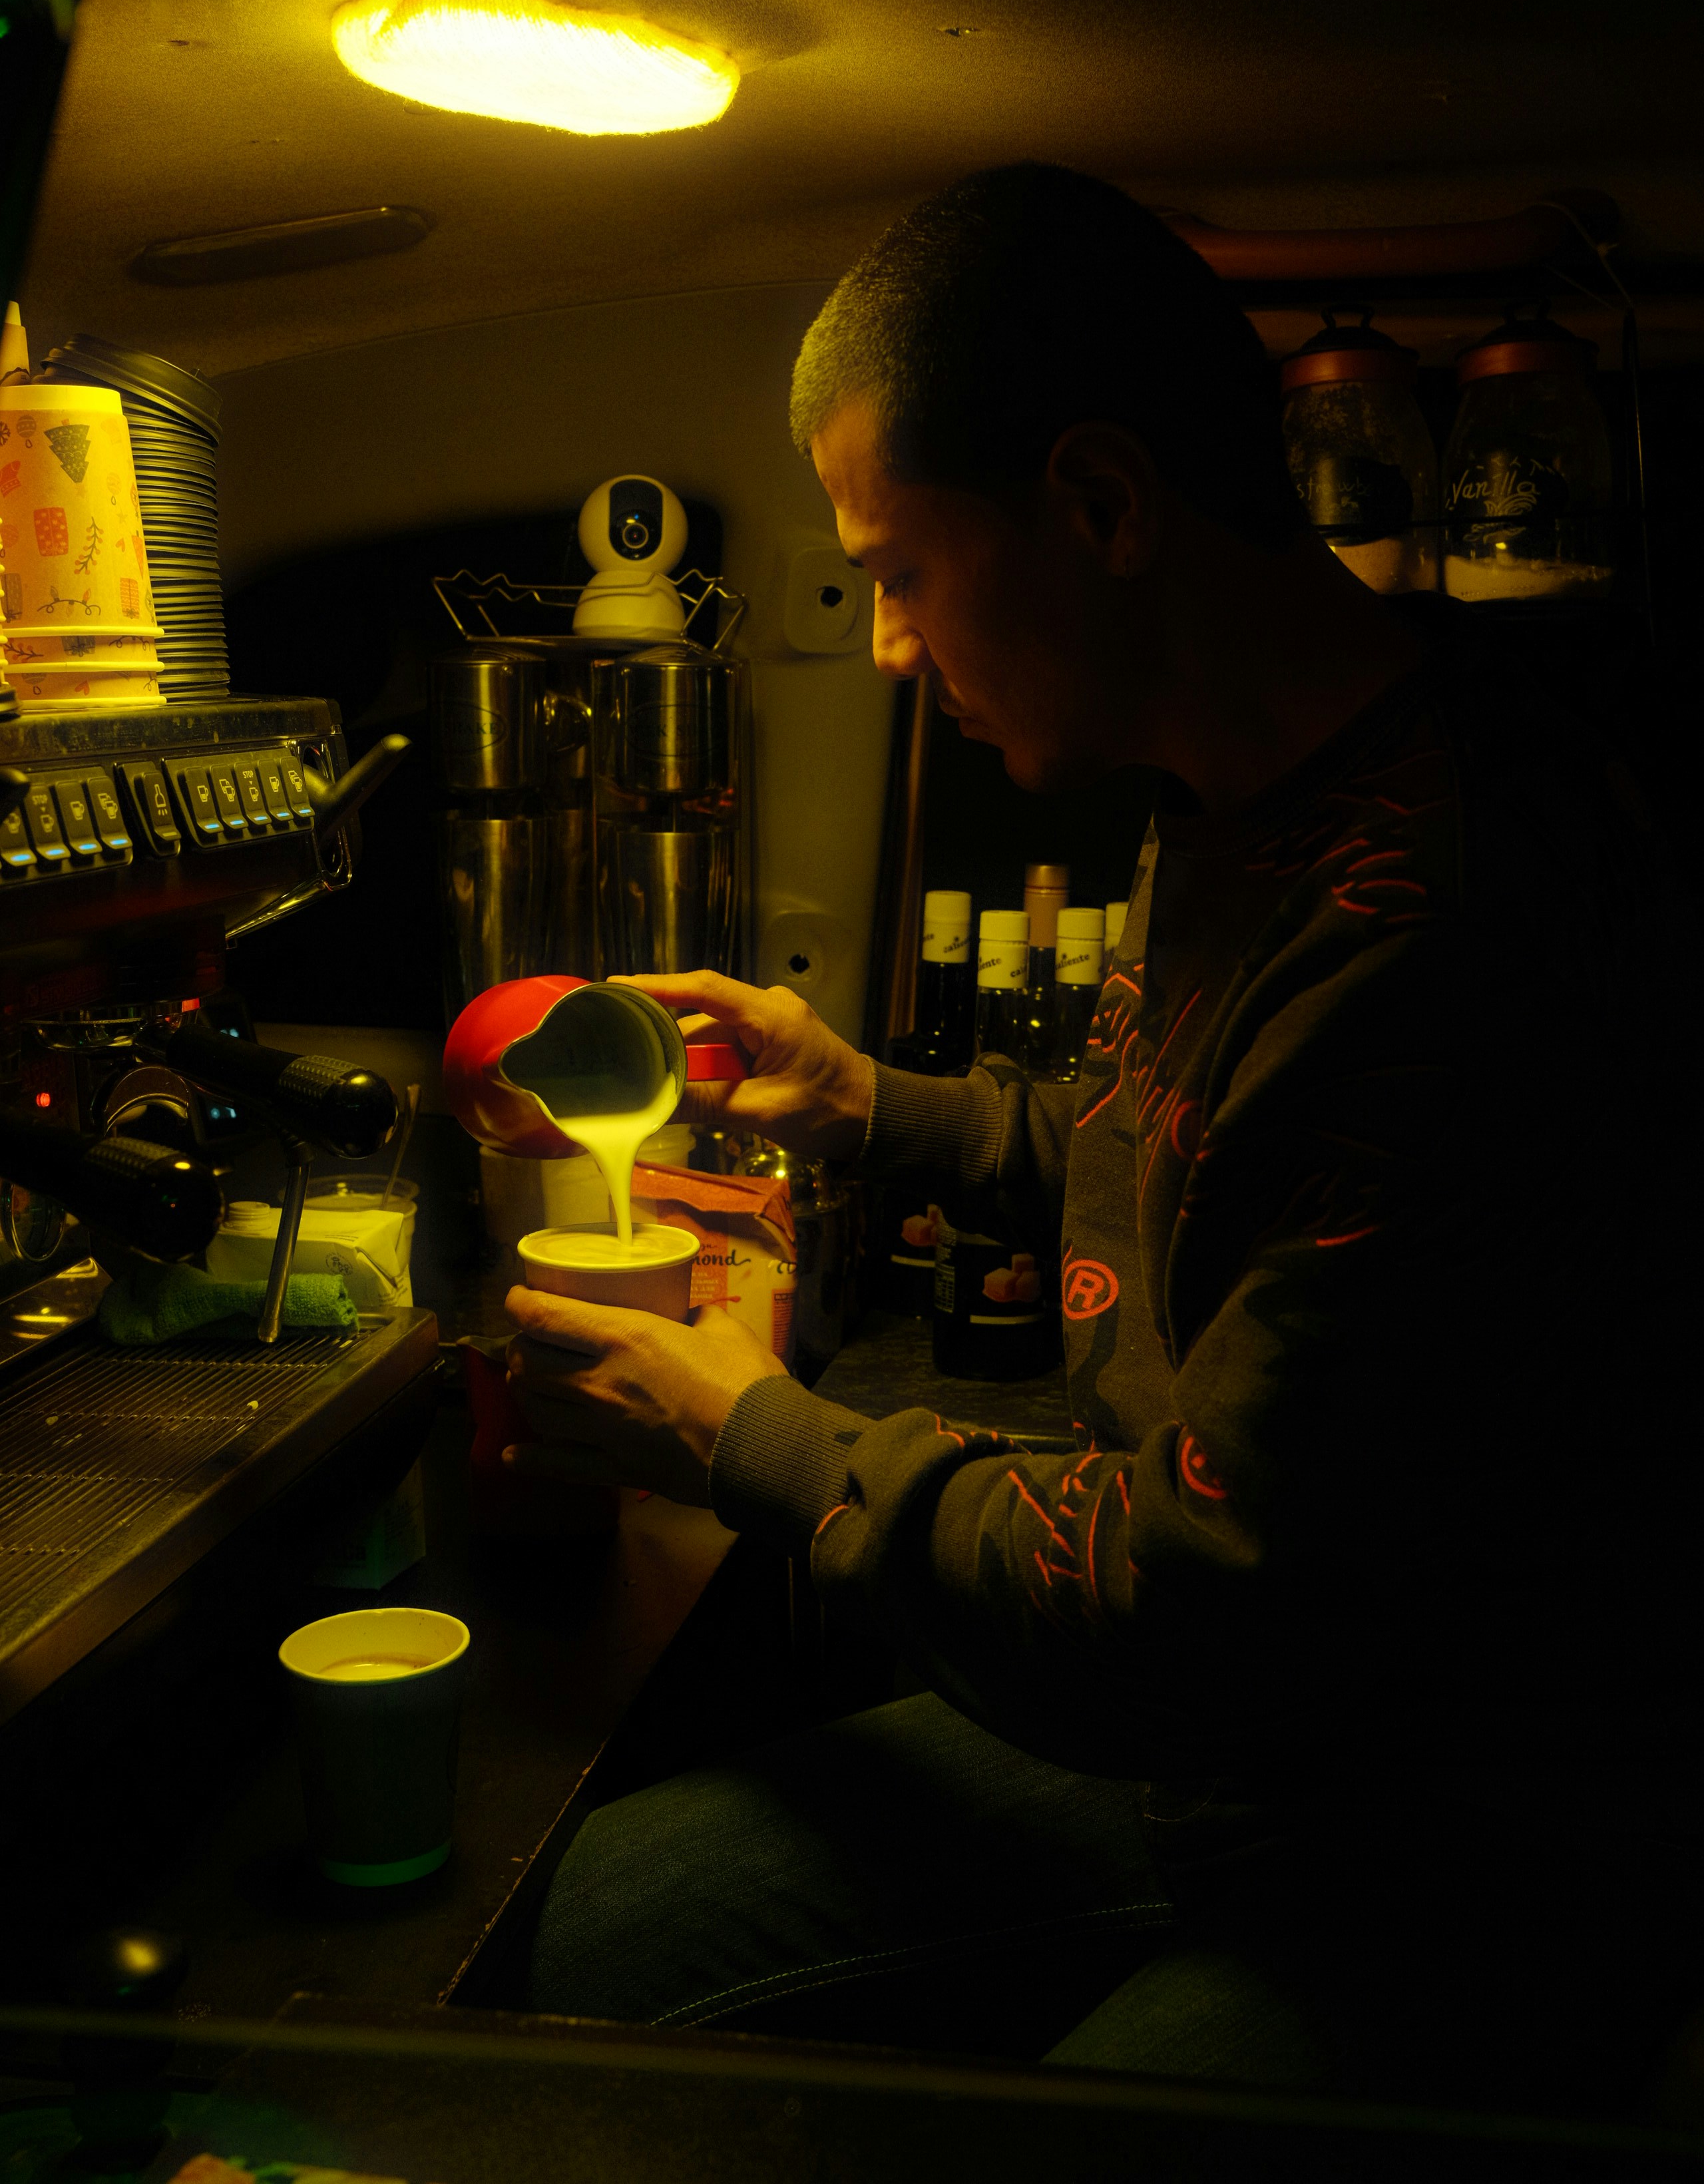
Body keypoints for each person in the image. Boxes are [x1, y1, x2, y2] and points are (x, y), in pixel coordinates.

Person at [505, 165, 1701, 2113]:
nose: (883, 646)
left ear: (1104, 508)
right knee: (574, 1944)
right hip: (1246, 1743)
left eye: (897, 572)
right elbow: (1197, 1126)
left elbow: (1201, 1600)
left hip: (1440, 1824)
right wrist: (881, 1104)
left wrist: (751, 1431)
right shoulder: (1251, 788)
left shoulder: (1459, 922)